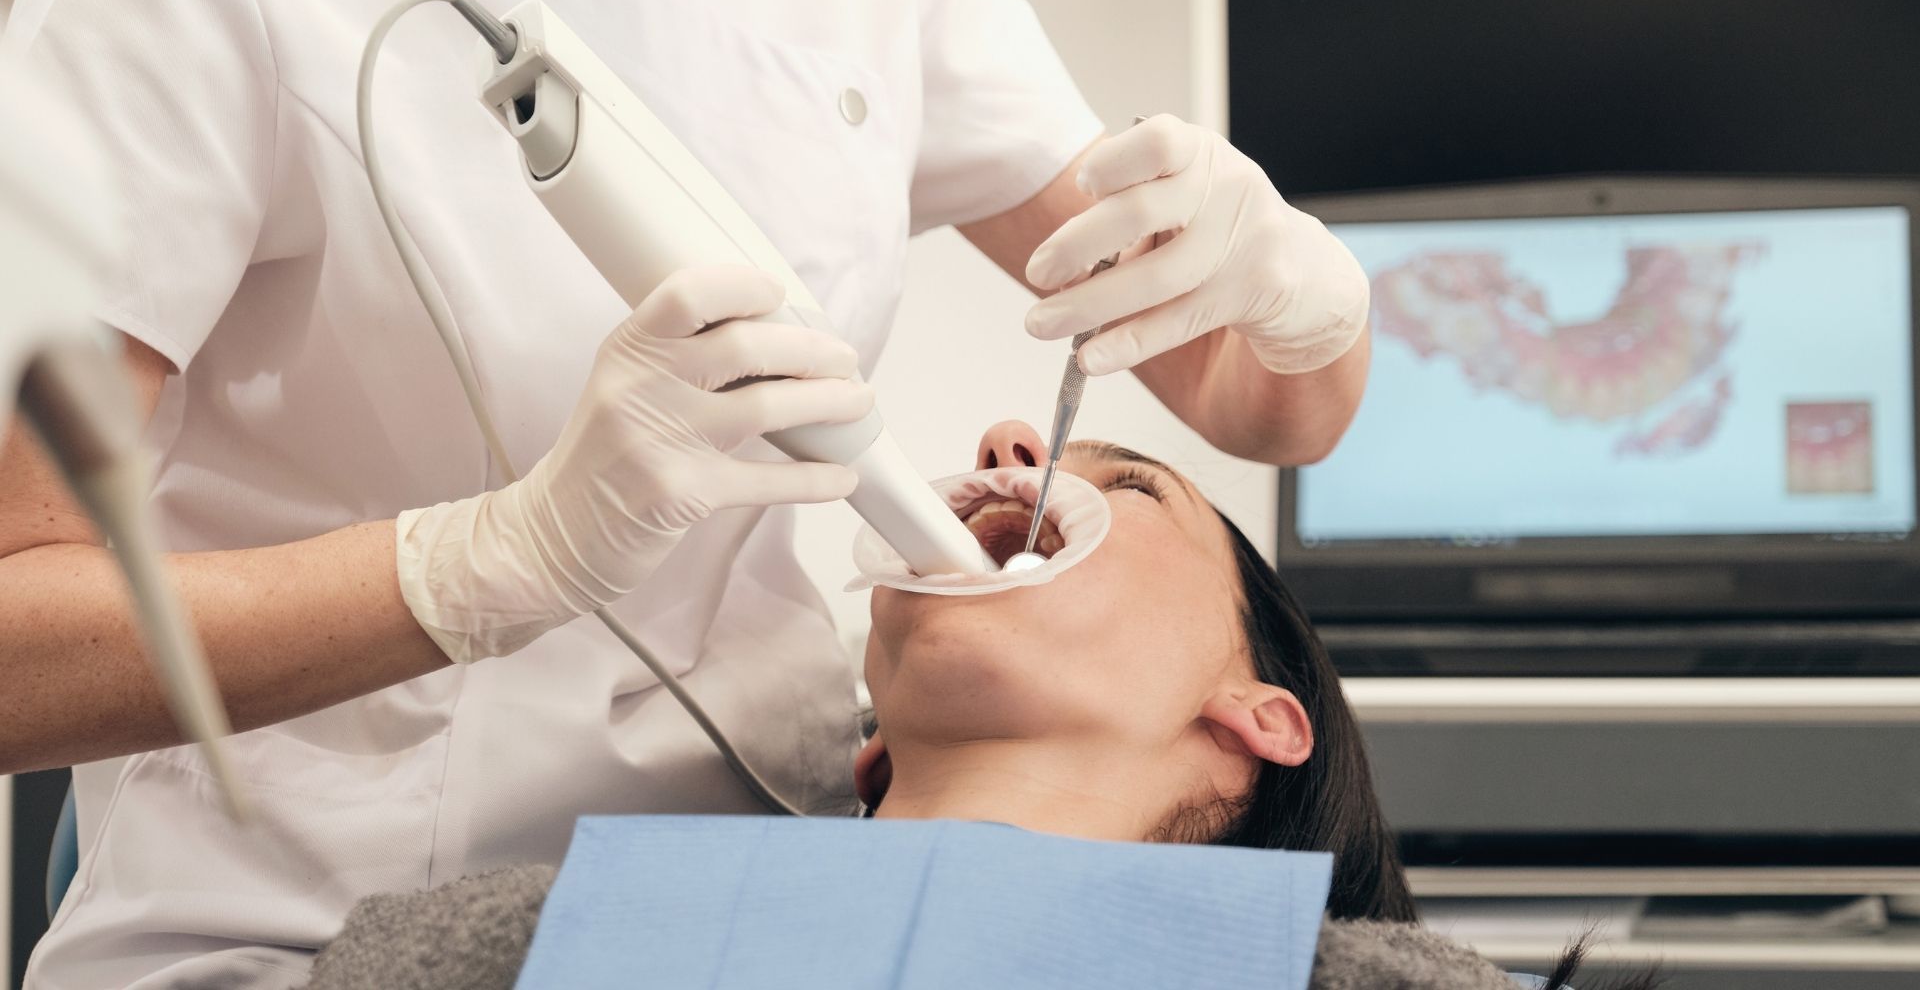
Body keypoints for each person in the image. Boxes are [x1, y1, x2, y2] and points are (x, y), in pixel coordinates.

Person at [0, 0, 1374, 986]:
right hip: (303, 936)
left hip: (756, 917)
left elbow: (1249, 392)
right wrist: (484, 564)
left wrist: (1302, 293)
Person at [300, 425, 1638, 990]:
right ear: (869, 742)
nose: (1007, 449)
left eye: (1137, 480)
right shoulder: (484, 954)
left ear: (1260, 718)